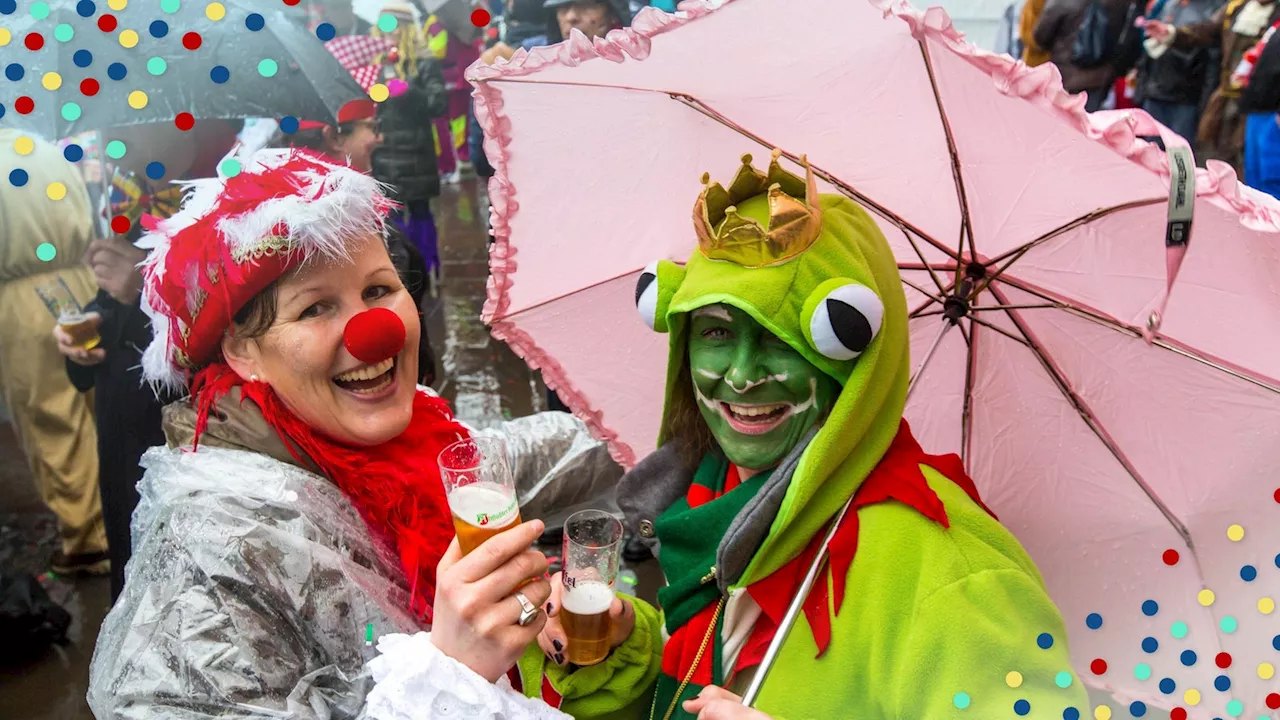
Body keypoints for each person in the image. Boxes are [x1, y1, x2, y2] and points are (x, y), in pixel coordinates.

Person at [87, 149, 649, 717]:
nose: (374, 332)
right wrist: (449, 676)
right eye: (314, 309)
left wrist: (672, 407)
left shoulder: (404, 437)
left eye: (379, 291)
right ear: (241, 352)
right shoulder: (214, 546)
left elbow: (542, 455)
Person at [529, 152, 1086, 719]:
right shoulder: (708, 496)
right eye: (717, 331)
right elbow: (706, 677)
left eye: (781, 337)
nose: (743, 376)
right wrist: (620, 648)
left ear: (855, 357)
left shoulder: (957, 577)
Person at [54, 119, 241, 601]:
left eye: (132, 125)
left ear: (178, 125)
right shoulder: (130, 199)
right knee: (132, 566)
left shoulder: (224, 197)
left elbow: (234, 324)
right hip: (123, 425)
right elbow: (112, 307)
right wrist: (87, 330)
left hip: (188, 425)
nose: (118, 140)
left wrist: (141, 289)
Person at [0, 130, 108, 577]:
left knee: (50, 421)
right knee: (94, 406)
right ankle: (115, 516)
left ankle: (86, 539)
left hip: (21, 301)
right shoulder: (42, 148)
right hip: (81, 283)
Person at [370, 3, 451, 300]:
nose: (387, 34)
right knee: (390, 218)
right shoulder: (372, 62)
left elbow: (438, 103)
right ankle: (398, 272)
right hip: (382, 152)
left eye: (393, 27)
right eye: (383, 27)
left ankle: (427, 268)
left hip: (416, 154)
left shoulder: (424, 61)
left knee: (419, 213)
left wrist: (409, 90)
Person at [1148, 0, 1280, 174]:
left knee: (1250, 167)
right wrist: (1171, 33)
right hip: (1226, 98)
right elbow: (1207, 29)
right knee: (1213, 158)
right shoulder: (1237, 7)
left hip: (1263, 105)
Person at [1133, 0, 1222, 144]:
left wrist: (1205, 103)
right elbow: (1150, 47)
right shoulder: (1169, 5)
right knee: (1150, 152)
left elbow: (1213, 60)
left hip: (1186, 99)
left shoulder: (1213, 9)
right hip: (1155, 93)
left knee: (1178, 158)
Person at [1034, 0, 1135, 110]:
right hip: (1100, 78)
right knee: (1086, 122)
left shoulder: (1062, 2)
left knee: (1057, 120)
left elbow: (1041, 36)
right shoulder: (1120, 3)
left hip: (1065, 74)